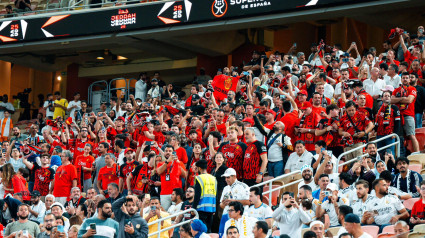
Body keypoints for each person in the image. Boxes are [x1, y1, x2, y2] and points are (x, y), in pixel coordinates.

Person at [391, 72, 419, 152]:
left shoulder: (412, 89)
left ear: (409, 79)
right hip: (397, 116)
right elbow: (391, 100)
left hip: (408, 115)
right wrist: (403, 99)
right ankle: (399, 154)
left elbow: (409, 100)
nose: (405, 79)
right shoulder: (396, 90)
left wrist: (398, 99)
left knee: (411, 135)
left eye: (407, 78)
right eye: (403, 78)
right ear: (401, 79)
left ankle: (416, 154)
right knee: (399, 136)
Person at [219, 168, 250, 237]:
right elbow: (221, 205)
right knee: (222, 235)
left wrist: (233, 201)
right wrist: (223, 203)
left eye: (228, 177)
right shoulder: (225, 188)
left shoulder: (243, 186)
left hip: (239, 217)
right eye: (225, 177)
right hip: (226, 215)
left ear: (234, 177)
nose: (226, 179)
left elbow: (249, 201)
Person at [192, 159, 217, 232]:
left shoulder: (199, 178)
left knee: (202, 230)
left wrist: (193, 208)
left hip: (201, 208)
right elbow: (216, 194)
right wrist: (215, 208)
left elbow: (197, 195)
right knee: (208, 230)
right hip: (211, 208)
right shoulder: (213, 178)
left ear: (199, 168)